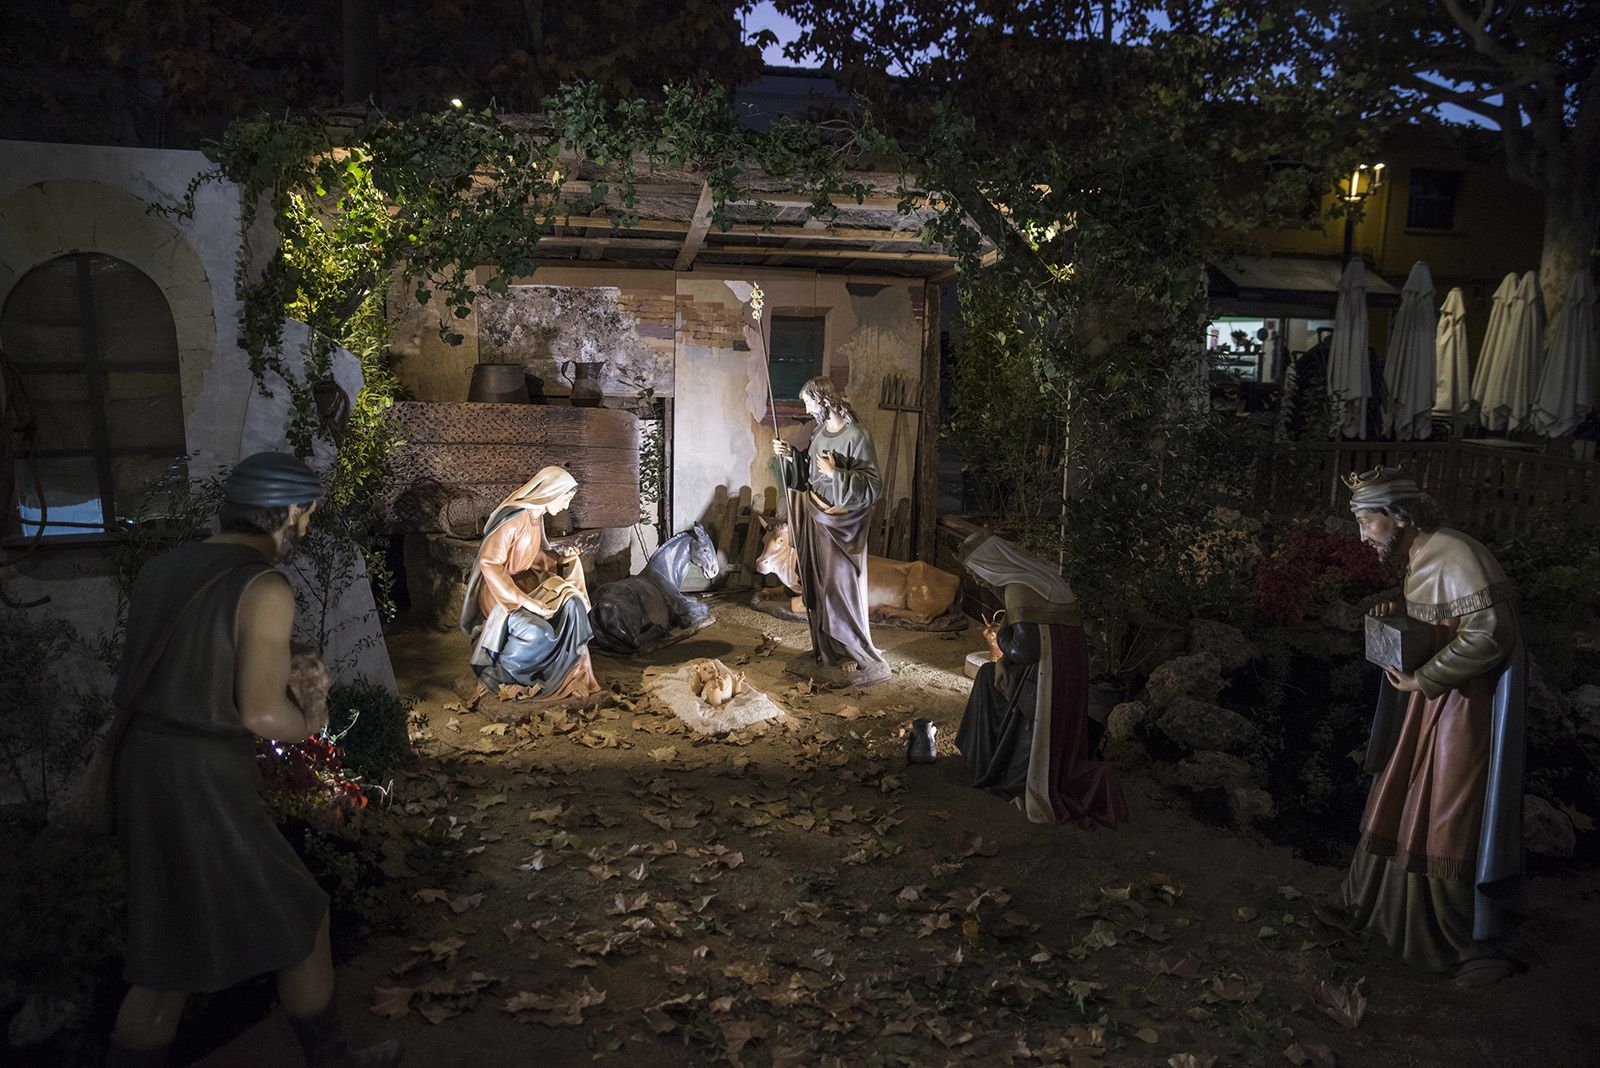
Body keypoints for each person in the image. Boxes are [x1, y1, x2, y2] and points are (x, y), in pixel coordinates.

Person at [107, 451, 398, 1066]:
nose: (305, 529)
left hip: (141, 766)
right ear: (288, 512)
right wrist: (311, 716)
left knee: (166, 954)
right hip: (203, 779)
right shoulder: (262, 584)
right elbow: (262, 715)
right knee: (303, 916)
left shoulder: (162, 569)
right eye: (306, 516)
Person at [1324, 465, 1527, 987]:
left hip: (1463, 709)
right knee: (1405, 796)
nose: (1363, 536)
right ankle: (1379, 910)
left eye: (1367, 523)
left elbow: (1490, 634)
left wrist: (1425, 678)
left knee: (1447, 815)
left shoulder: (1458, 554)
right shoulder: (1421, 555)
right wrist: (1400, 612)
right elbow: (1444, 622)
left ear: (1399, 516)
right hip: (1429, 706)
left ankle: (1467, 941)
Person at [955, 533, 1125, 827]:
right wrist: (1003, 661)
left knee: (987, 680)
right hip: (1063, 673)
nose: (979, 580)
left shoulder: (1018, 590)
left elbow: (1026, 650)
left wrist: (1001, 637)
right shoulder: (1041, 580)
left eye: (978, 572)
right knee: (989, 674)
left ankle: (993, 764)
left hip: (1044, 680)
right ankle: (988, 757)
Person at [771, 376, 890, 687]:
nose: (807, 410)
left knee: (840, 585)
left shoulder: (857, 435)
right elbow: (811, 473)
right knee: (822, 584)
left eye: (809, 403)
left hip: (844, 525)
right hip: (817, 517)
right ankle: (830, 650)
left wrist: (836, 473)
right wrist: (791, 455)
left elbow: (872, 485)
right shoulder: (819, 433)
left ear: (823, 400)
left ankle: (853, 649)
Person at [459, 466, 600, 701]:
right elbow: (489, 563)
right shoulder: (513, 519)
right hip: (501, 593)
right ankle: (497, 677)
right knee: (538, 632)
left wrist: (561, 559)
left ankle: (572, 675)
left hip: (528, 585)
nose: (565, 506)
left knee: (574, 606)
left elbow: (532, 556)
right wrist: (527, 602)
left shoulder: (536, 517)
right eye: (565, 499)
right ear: (550, 492)